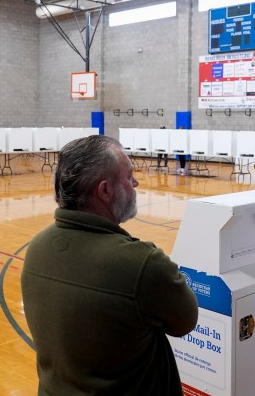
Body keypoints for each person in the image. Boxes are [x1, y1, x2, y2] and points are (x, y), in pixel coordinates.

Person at [21, 135, 198, 396]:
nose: (136, 182)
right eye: (128, 176)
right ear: (105, 190)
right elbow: (185, 321)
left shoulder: (37, 247)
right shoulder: (141, 264)